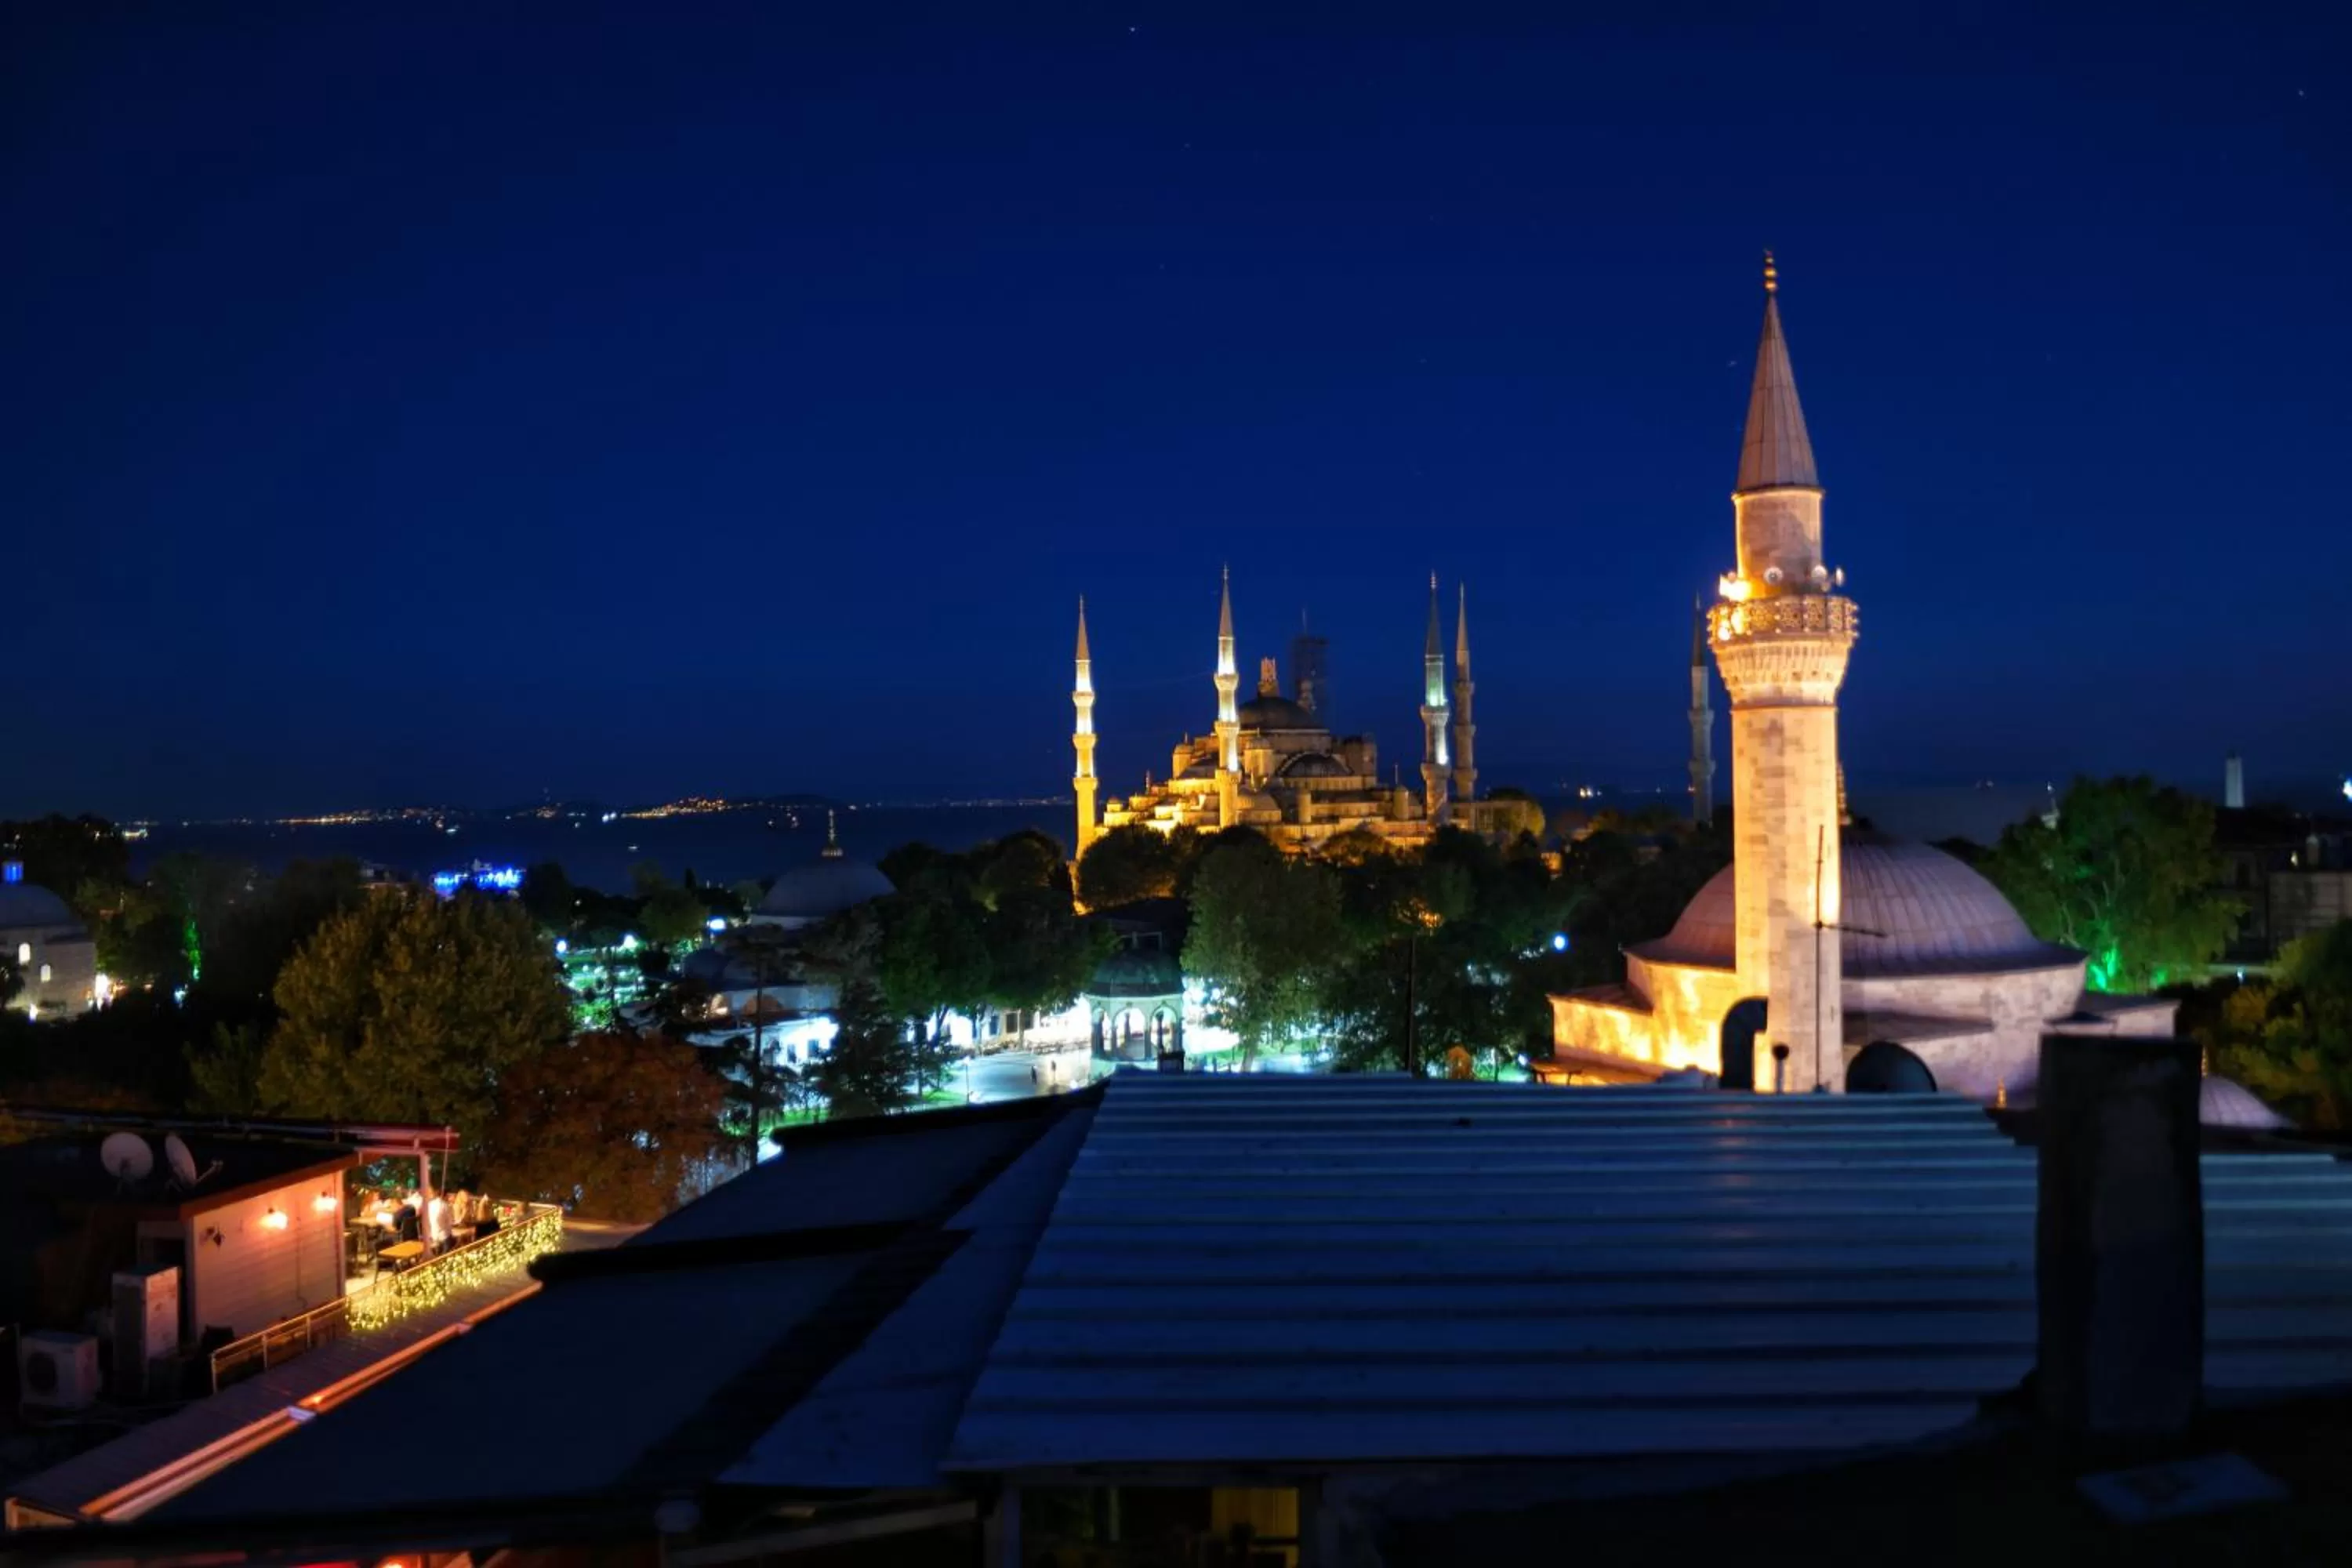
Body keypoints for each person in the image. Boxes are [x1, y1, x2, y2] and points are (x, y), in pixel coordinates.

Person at [425, 1190, 451, 1254]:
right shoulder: (445, 1205)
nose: (448, 1198)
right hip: (443, 1236)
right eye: (447, 1196)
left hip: (433, 1235)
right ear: (444, 1196)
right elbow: (450, 1221)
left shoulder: (430, 1204)